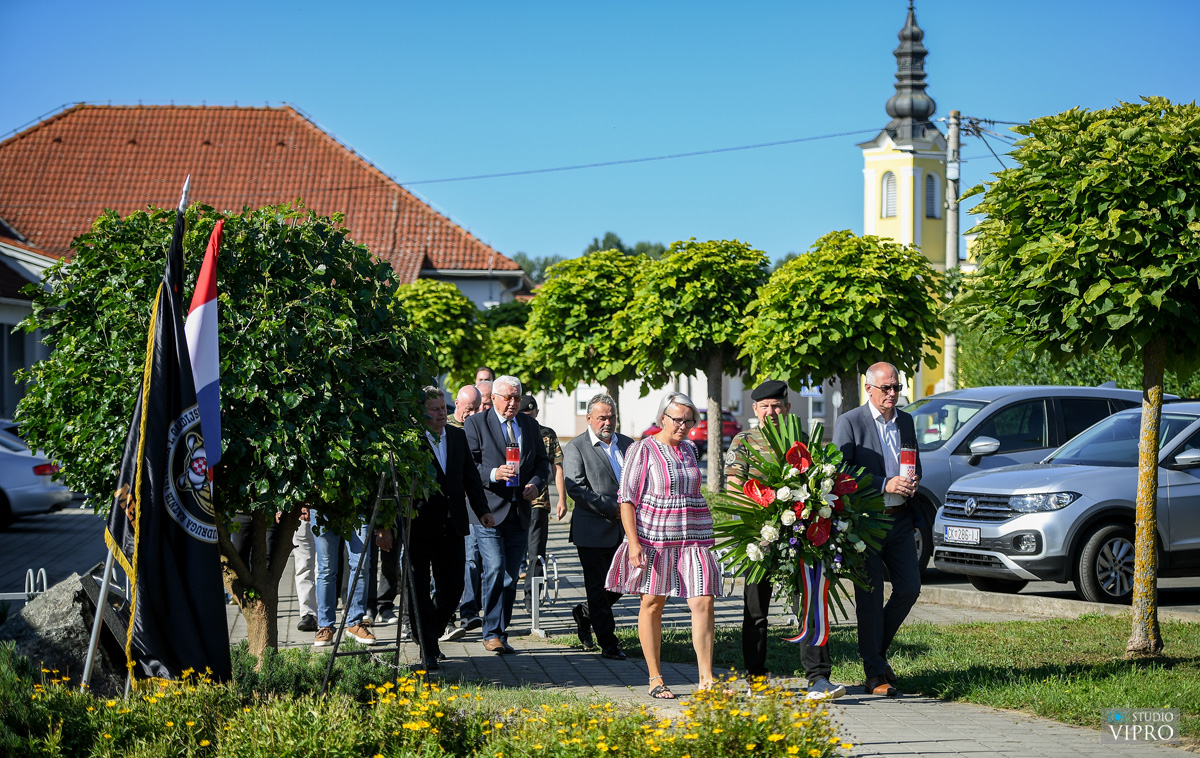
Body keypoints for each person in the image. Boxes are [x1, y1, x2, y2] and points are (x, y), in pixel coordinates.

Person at [725, 380, 846, 698]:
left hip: (797, 537)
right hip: (760, 537)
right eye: (764, 406)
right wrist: (769, 512)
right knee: (755, 610)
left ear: (788, 408)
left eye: (776, 406)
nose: (771, 412)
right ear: (755, 410)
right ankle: (756, 679)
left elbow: (819, 479)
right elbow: (734, 488)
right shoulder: (744, 441)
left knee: (809, 606)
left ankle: (818, 678)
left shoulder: (802, 441)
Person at [606, 392, 722, 699]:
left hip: (693, 538)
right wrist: (633, 543)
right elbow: (626, 499)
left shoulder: (690, 450)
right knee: (653, 604)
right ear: (662, 418)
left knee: (704, 601)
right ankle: (655, 678)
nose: (683, 426)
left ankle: (707, 677)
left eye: (689, 420)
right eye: (677, 419)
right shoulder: (642, 449)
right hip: (654, 540)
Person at [379, 386, 494, 670]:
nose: (442, 413)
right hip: (418, 526)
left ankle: (427, 632)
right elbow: (393, 487)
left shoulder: (457, 436)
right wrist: (386, 525)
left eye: (443, 408)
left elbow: (470, 477)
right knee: (417, 588)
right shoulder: (409, 443)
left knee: (454, 587)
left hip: (453, 525)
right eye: (435, 409)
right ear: (420, 413)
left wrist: (483, 511)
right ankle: (429, 648)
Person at [832, 361, 922, 697]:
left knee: (909, 589)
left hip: (899, 518)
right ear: (868, 388)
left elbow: (914, 462)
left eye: (897, 387)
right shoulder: (850, 422)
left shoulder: (907, 421)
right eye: (886, 388)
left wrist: (912, 482)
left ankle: (875, 653)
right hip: (866, 522)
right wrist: (886, 483)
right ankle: (874, 674)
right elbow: (842, 472)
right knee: (869, 598)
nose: (893, 394)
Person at [464, 374, 550, 654]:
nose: (513, 403)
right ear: (494, 399)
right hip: (488, 511)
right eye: (507, 398)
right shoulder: (476, 424)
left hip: (520, 511)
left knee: (511, 576)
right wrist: (493, 473)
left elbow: (541, 463)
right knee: (496, 569)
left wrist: (535, 485)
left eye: (517, 397)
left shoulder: (529, 425)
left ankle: (501, 631)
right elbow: (468, 467)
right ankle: (490, 632)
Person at [563, 393, 631, 660]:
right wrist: (610, 507)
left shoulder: (627, 444)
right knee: (597, 586)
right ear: (589, 418)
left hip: (626, 529)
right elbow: (575, 488)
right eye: (602, 417)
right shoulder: (576, 447)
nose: (608, 422)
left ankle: (586, 613)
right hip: (592, 529)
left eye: (611, 417)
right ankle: (609, 643)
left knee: (623, 582)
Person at [519, 394, 566, 613]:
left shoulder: (547, 434)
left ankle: (531, 598)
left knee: (536, 552)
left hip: (539, 502)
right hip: (513, 502)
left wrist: (562, 499)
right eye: (524, 414)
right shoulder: (511, 432)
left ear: (537, 413)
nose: (529, 417)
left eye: (531, 413)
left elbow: (557, 466)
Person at [311, 507, 378, 647]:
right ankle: (325, 626)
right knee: (326, 569)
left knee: (361, 564)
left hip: (356, 503)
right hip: (321, 506)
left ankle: (355, 622)